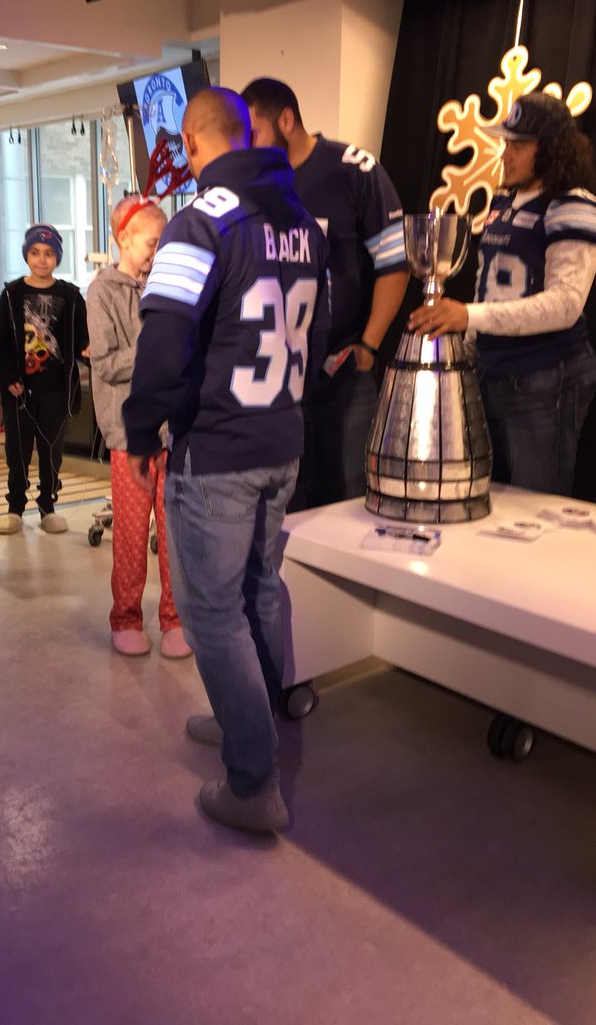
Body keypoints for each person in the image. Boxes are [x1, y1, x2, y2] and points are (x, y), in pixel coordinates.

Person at [123, 87, 329, 835]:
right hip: (283, 439)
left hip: (217, 449)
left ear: (193, 141)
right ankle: (258, 721)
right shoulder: (305, 223)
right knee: (260, 592)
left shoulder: (198, 222)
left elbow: (165, 338)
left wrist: (142, 428)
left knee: (213, 613)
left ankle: (253, 779)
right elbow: (319, 332)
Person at [409, 92, 596, 495]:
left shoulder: (573, 205)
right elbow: (490, 286)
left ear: (552, 149)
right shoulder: (504, 201)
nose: (506, 154)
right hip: (494, 371)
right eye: (506, 143)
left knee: (535, 508)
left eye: (518, 145)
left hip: (545, 375)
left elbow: (565, 305)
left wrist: (469, 316)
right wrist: (466, 351)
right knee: (487, 497)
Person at [241, 77, 409, 509]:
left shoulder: (351, 168)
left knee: (347, 502)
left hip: (342, 370)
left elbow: (396, 261)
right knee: (287, 508)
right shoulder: (254, 185)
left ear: (287, 119)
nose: (249, 145)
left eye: (255, 132)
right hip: (278, 379)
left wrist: (369, 344)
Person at [86, 195, 191, 659]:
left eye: (163, 241)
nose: (158, 249)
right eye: (152, 241)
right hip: (129, 436)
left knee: (175, 534)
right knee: (130, 532)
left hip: (176, 431)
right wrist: (158, 347)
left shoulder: (165, 284)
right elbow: (105, 364)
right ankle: (126, 617)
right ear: (123, 238)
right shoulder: (102, 292)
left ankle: (176, 619)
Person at [0, 224, 88, 534]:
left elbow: (83, 340)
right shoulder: (12, 293)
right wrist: (8, 378)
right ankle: (15, 506)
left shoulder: (70, 295)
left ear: (57, 257)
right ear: (26, 255)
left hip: (57, 389)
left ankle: (48, 505)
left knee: (51, 451)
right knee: (16, 450)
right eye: (35, 253)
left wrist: (91, 352)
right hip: (19, 390)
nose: (42, 260)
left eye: (48, 254)